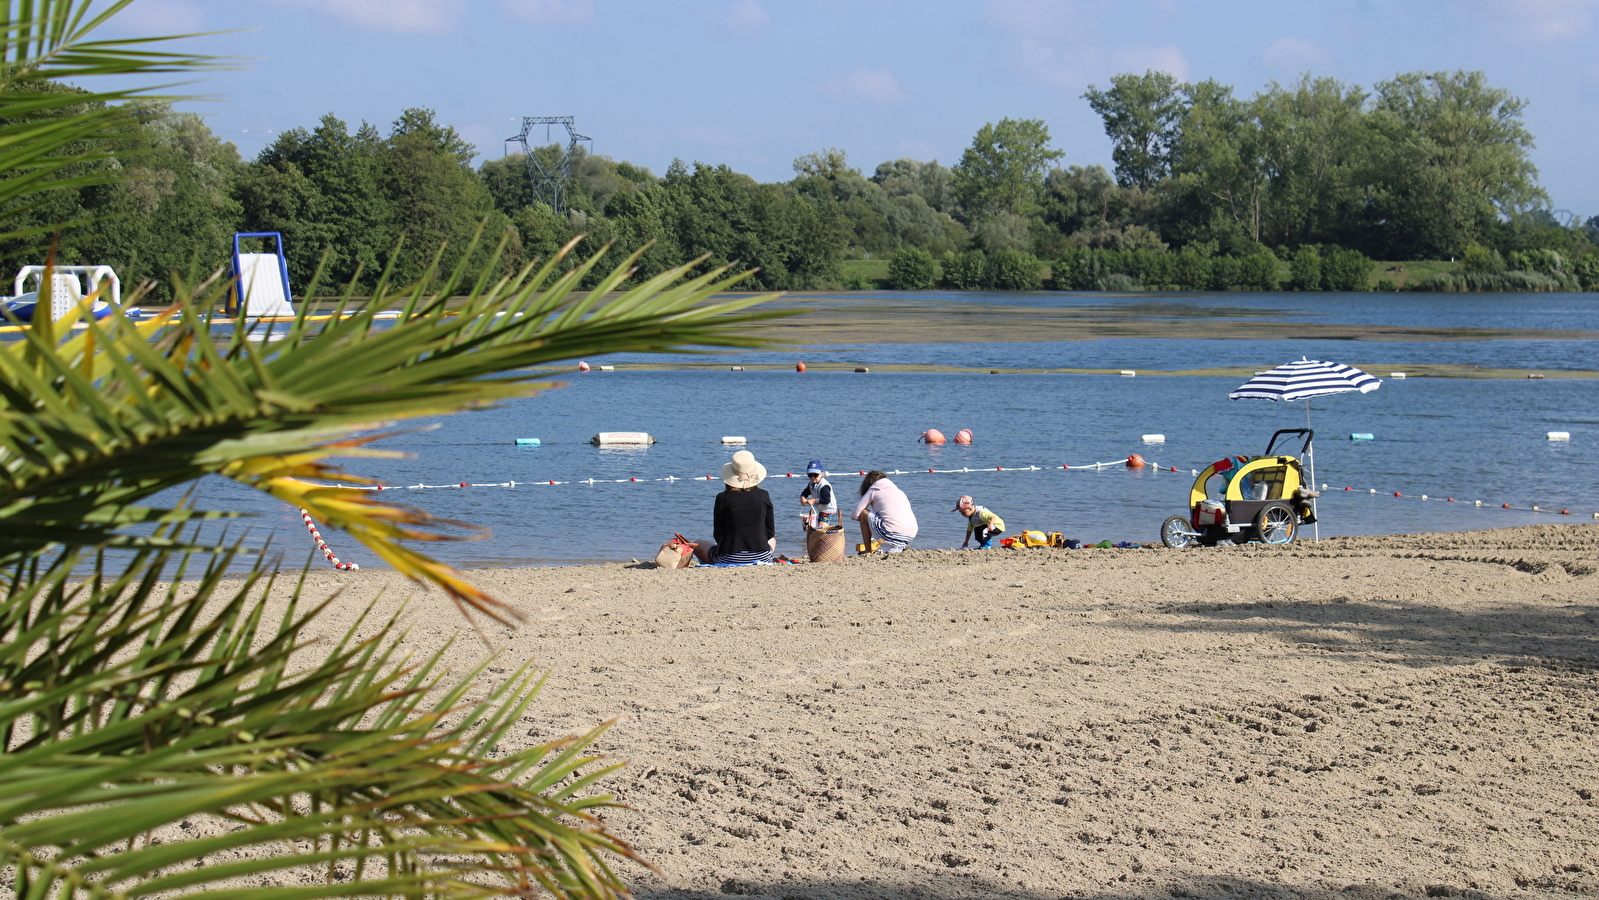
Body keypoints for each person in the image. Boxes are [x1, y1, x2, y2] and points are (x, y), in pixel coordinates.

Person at [690, 450, 776, 565]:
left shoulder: (722, 498)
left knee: (697, 543)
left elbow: (718, 534)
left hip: (729, 557)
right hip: (762, 557)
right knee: (773, 541)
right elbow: (770, 532)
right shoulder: (763, 495)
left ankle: (711, 560)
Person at [851, 470, 918, 554]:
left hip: (892, 533)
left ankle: (868, 550)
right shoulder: (899, 491)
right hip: (910, 534)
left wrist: (868, 523)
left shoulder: (874, 489)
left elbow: (854, 514)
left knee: (863, 513)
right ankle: (899, 545)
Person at [799, 459, 838, 527]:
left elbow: (826, 500)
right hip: (820, 509)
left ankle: (822, 536)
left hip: (829, 510)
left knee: (821, 529)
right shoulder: (811, 484)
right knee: (812, 527)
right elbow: (805, 492)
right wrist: (802, 498)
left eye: (815, 475)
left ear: (822, 474)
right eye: (810, 475)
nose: (813, 477)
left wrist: (814, 500)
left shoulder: (824, 485)